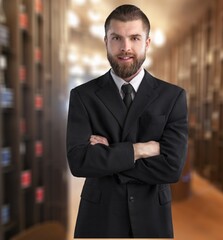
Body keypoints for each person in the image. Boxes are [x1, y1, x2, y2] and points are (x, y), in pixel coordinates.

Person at [66, 4, 188, 238]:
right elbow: (79, 162)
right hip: (100, 216)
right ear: (106, 41)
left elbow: (172, 168)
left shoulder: (173, 97)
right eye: (116, 38)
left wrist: (108, 156)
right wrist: (141, 149)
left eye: (134, 38)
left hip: (151, 217)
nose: (125, 48)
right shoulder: (82, 95)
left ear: (147, 43)